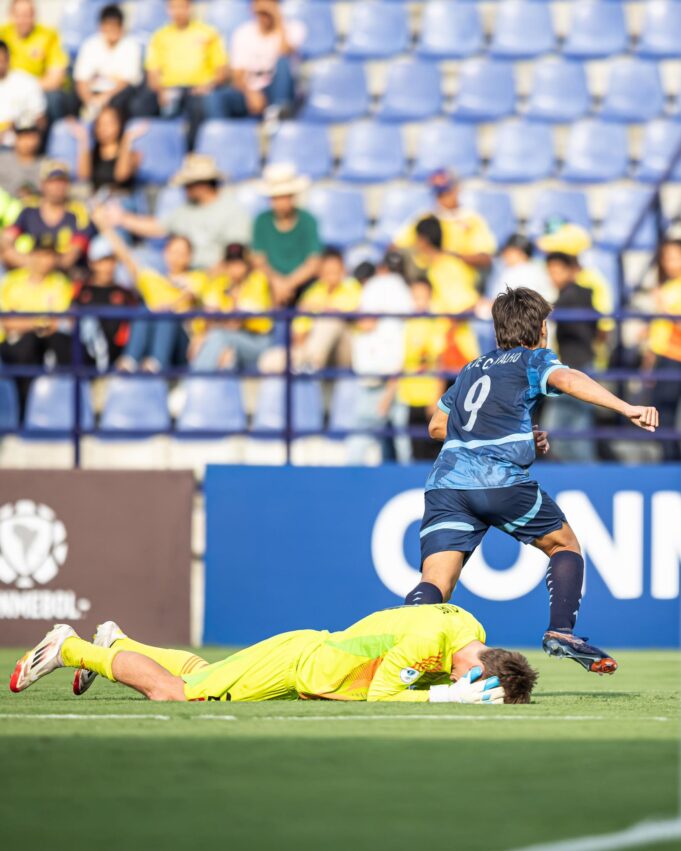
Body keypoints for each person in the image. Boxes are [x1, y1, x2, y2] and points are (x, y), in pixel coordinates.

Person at [403, 287, 659, 674]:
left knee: (436, 582)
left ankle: (404, 653)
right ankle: (561, 631)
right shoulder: (533, 359)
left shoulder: (473, 368)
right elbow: (569, 379)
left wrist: (523, 435)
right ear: (542, 329)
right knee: (564, 544)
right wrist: (627, 407)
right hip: (497, 479)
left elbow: (438, 426)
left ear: (496, 329)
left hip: (447, 483)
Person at [11, 605, 538, 704]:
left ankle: (117, 644)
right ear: (481, 666)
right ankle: (71, 647)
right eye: (478, 683)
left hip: (310, 651)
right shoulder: (433, 649)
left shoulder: (470, 626)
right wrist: (446, 699)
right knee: (177, 692)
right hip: (302, 664)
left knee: (205, 671)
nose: (467, 684)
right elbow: (382, 695)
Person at [95, 211, 206, 372]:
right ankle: (131, 360)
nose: (176, 257)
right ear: (165, 253)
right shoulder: (153, 280)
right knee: (143, 310)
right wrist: (105, 227)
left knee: (165, 314)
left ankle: (156, 363)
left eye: (181, 253)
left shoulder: (198, 277)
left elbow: (192, 294)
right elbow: (125, 256)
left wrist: (168, 306)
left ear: (189, 257)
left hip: (182, 344)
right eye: (173, 252)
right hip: (154, 335)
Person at [109, 154, 251, 269]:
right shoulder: (186, 209)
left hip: (215, 276)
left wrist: (206, 279)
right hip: (183, 272)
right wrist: (122, 218)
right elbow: (159, 227)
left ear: (202, 184)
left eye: (188, 184)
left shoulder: (231, 210)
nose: (185, 189)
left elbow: (236, 255)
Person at [347, 251, 414, 466]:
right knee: (401, 443)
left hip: (377, 374)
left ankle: (346, 483)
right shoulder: (405, 292)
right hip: (400, 373)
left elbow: (367, 322)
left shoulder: (374, 287)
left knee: (360, 443)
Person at [0, 234, 73, 410]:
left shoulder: (61, 283)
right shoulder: (11, 281)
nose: (46, 260)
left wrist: (24, 322)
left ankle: (55, 412)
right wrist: (38, 323)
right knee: (26, 346)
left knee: (58, 345)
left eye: (50, 255)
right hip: (11, 344)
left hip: (43, 343)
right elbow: (6, 322)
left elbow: (61, 322)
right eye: (41, 254)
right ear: (32, 255)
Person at [260, 247, 361, 373]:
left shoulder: (353, 287)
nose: (331, 276)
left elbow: (359, 320)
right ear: (320, 273)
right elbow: (299, 335)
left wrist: (321, 310)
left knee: (330, 320)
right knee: (268, 361)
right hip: (312, 349)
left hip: (346, 351)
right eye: (327, 272)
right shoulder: (312, 293)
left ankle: (309, 364)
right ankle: (306, 365)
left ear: (343, 271)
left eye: (335, 271)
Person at [395, 169, 496, 294]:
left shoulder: (472, 220)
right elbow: (396, 247)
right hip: (426, 289)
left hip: (460, 286)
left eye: (446, 192)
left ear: (456, 189)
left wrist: (449, 255)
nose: (442, 198)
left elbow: (485, 259)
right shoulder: (425, 218)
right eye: (439, 194)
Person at [142, 0, 229, 145]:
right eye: (174, 7)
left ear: (190, 8)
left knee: (198, 106)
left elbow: (221, 72)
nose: (178, 12)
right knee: (142, 105)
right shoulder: (159, 36)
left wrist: (208, 86)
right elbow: (152, 74)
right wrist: (161, 91)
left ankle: (191, 152)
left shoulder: (208, 33)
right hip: (169, 89)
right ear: (167, 9)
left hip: (198, 89)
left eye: (182, 7)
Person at [542, 252, 599, 462]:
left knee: (558, 430)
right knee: (577, 430)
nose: (553, 276)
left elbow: (550, 309)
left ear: (571, 270)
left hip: (576, 369)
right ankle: (586, 475)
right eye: (551, 272)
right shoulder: (578, 295)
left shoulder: (574, 294)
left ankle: (585, 475)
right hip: (577, 367)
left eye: (558, 271)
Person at [411, 215, 481, 371]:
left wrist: (448, 332)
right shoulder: (430, 267)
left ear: (423, 240)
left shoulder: (448, 267)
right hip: (437, 353)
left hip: (456, 353)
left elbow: (469, 304)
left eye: (416, 239)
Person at [190, 242, 274, 371]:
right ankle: (204, 386)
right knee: (226, 354)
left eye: (239, 263)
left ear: (247, 265)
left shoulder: (257, 280)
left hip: (257, 341)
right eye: (230, 263)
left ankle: (194, 380)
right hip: (228, 339)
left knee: (218, 337)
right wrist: (201, 336)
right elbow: (206, 318)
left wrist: (217, 320)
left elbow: (235, 324)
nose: (234, 268)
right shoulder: (220, 282)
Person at [2, 160, 93, 271]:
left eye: (62, 182)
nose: (57, 186)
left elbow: (70, 257)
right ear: (42, 184)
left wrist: (44, 264)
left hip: (64, 276)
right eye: (52, 182)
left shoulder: (79, 212)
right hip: (30, 272)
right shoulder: (29, 209)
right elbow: (6, 242)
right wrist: (34, 263)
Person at [252, 163, 322, 305]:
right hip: (270, 286)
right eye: (276, 197)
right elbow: (258, 260)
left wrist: (288, 284)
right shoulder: (261, 221)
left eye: (285, 196)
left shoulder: (308, 221)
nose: (281, 202)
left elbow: (313, 262)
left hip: (304, 286)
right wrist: (276, 282)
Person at [222, 0, 304, 120]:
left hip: (279, 89)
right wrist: (251, 93)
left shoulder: (293, 28)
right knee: (217, 97)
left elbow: (285, 51)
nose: (264, 13)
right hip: (251, 90)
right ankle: (220, 134)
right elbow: (238, 75)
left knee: (282, 62)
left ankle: (277, 113)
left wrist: (278, 19)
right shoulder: (243, 33)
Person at [397, 277, 448, 461]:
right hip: (407, 395)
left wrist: (437, 397)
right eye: (415, 296)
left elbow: (440, 363)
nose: (419, 301)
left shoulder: (434, 324)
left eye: (423, 296)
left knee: (434, 448)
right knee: (412, 449)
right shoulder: (406, 324)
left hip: (428, 396)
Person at [74, 235, 141, 370]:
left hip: (118, 359)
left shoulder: (125, 293)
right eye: (102, 261)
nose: (107, 266)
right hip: (85, 359)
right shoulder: (79, 290)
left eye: (111, 261)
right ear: (92, 263)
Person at [73, 4, 143, 122]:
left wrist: (104, 98)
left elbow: (126, 82)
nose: (111, 31)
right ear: (101, 26)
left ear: (121, 27)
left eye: (114, 26)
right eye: (107, 26)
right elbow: (81, 80)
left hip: (117, 96)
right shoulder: (90, 45)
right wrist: (90, 101)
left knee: (123, 99)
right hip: (93, 94)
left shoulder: (131, 46)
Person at [0, 0, 68, 122]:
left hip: (37, 90)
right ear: (11, 15)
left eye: (27, 15)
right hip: (5, 89)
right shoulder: (2, 34)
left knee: (53, 98)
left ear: (34, 15)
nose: (23, 20)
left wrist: (26, 88)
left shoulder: (49, 35)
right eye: (18, 15)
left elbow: (56, 78)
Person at [646, 237, 681, 461]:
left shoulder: (669, 292)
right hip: (663, 357)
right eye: (666, 258)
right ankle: (669, 461)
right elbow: (658, 331)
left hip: (675, 357)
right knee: (661, 415)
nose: (670, 263)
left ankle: (672, 462)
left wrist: (663, 308)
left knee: (667, 415)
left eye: (675, 257)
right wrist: (648, 362)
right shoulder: (667, 287)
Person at [68, 107, 142, 194]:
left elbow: (121, 176)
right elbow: (83, 177)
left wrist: (126, 141)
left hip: (122, 201)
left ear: (119, 125)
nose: (103, 128)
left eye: (109, 124)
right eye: (99, 124)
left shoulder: (132, 154)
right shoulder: (92, 154)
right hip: (96, 202)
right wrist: (83, 141)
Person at [487, 234, 554, 303]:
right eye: (507, 251)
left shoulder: (532, 271)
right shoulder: (501, 268)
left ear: (524, 254)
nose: (507, 254)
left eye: (513, 252)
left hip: (527, 312)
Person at [0, 38, 46, 141]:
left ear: (8, 58)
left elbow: (40, 119)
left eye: (2, 60)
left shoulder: (26, 83)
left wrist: (21, 127)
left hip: (18, 147)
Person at [0, 116, 43, 198]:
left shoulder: (46, 165)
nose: (27, 141)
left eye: (31, 136)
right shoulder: (2, 161)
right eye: (22, 136)